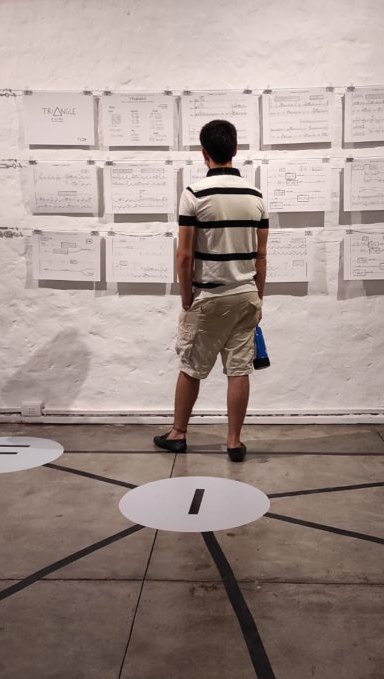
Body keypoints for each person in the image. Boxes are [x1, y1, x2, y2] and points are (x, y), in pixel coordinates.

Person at [153, 119, 268, 462]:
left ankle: (178, 433)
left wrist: (187, 297)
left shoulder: (194, 194)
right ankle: (233, 442)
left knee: (191, 366)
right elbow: (261, 256)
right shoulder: (255, 196)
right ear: (235, 149)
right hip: (245, 294)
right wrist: (258, 296)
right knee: (239, 369)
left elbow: (185, 255)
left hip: (208, 296)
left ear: (204, 152)